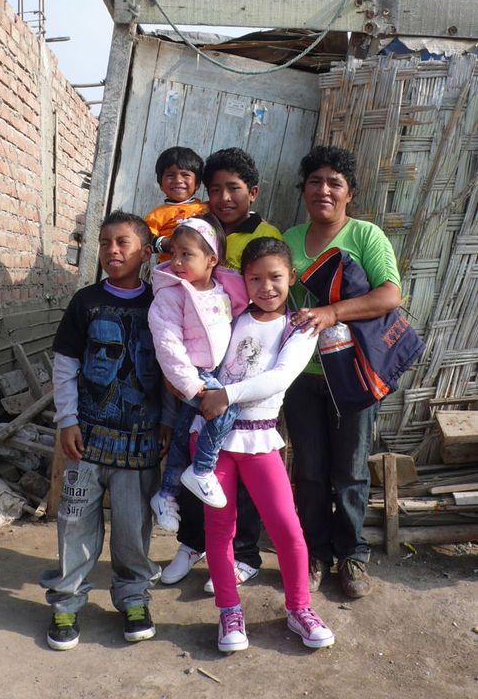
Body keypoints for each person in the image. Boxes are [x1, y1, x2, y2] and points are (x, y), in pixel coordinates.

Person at [40, 211, 170, 650]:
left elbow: (174, 369)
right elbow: (66, 364)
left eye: (123, 243)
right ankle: (65, 604)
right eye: (105, 242)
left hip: (141, 442)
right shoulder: (85, 303)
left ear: (146, 253)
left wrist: (168, 420)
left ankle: (133, 597)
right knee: (75, 525)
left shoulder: (161, 305)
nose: (112, 251)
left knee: (134, 530)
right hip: (87, 441)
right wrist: (68, 419)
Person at [197, 237, 334, 653]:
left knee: (286, 526)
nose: (266, 287)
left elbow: (279, 378)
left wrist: (226, 395)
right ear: (243, 281)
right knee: (219, 530)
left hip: (259, 439)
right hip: (214, 440)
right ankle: (229, 611)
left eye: (275, 277)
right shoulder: (232, 317)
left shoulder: (300, 327)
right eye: (254, 278)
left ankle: (299, 608)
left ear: (291, 277)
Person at [161, 148, 282, 593]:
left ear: (252, 192)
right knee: (200, 456)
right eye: (214, 189)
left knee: (241, 462)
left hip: (246, 368)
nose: (224, 197)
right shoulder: (195, 229)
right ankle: (191, 543)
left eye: (233, 188)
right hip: (199, 371)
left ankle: (242, 554)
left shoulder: (265, 235)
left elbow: (269, 295)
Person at [283, 145, 402, 599]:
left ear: (350, 192)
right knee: (309, 471)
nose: (324, 190)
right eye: (315, 181)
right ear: (304, 189)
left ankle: (352, 555)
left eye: (335, 182)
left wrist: (333, 312)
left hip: (352, 373)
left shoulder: (365, 236)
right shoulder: (289, 240)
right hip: (300, 375)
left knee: (351, 470)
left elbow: (390, 294)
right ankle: (315, 552)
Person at [148, 214, 248, 525]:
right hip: (191, 376)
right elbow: (168, 344)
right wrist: (193, 385)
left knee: (181, 436)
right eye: (173, 253)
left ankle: (165, 494)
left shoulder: (222, 289)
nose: (176, 261)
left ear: (211, 260)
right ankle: (202, 469)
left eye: (186, 254)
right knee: (226, 409)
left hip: (212, 372)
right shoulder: (172, 294)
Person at [145, 146, 208, 261]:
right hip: (169, 268)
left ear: (197, 184)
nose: (178, 180)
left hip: (202, 268)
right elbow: (145, 239)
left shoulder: (207, 208)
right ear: (160, 184)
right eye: (170, 175)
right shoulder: (157, 214)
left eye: (185, 175)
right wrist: (166, 244)